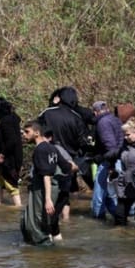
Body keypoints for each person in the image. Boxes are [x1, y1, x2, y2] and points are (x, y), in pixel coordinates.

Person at [38, 87, 90, 219]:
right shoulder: (77, 118)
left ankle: (48, 220)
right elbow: (83, 142)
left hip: (48, 156)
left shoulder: (47, 113)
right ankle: (66, 220)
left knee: (47, 188)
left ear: (59, 98)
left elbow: (36, 130)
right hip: (69, 161)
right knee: (65, 192)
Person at [20, 120, 74, 245]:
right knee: (42, 221)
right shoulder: (52, 148)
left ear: (37, 133)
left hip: (42, 190)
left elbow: (46, 175)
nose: (24, 135)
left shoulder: (41, 150)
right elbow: (67, 168)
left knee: (35, 224)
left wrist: (48, 199)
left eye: (27, 132)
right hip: (52, 188)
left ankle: (44, 252)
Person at [90, 101, 124, 220]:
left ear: (95, 112)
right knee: (119, 192)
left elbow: (110, 145)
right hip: (120, 159)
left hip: (110, 160)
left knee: (99, 191)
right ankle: (123, 215)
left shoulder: (102, 123)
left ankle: (98, 217)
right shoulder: (115, 119)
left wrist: (110, 164)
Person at [0, 97, 23, 206]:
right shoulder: (13, 118)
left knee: (11, 182)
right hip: (6, 155)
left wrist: (2, 154)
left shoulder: (6, 121)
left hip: (9, 157)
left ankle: (18, 206)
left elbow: (12, 140)